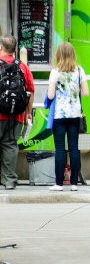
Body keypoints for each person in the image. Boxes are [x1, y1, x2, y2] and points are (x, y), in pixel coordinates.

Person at [47, 42, 88, 191]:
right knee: (74, 148)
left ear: (58, 54)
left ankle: (58, 183)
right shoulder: (79, 71)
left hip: (59, 115)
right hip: (75, 115)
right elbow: (86, 92)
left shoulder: (55, 72)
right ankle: (74, 184)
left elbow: (51, 95)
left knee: (59, 149)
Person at [0, 35, 33, 189]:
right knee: (11, 145)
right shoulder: (23, 67)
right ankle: (9, 180)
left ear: (1, 47)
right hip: (17, 114)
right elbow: (30, 91)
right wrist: (27, 113)